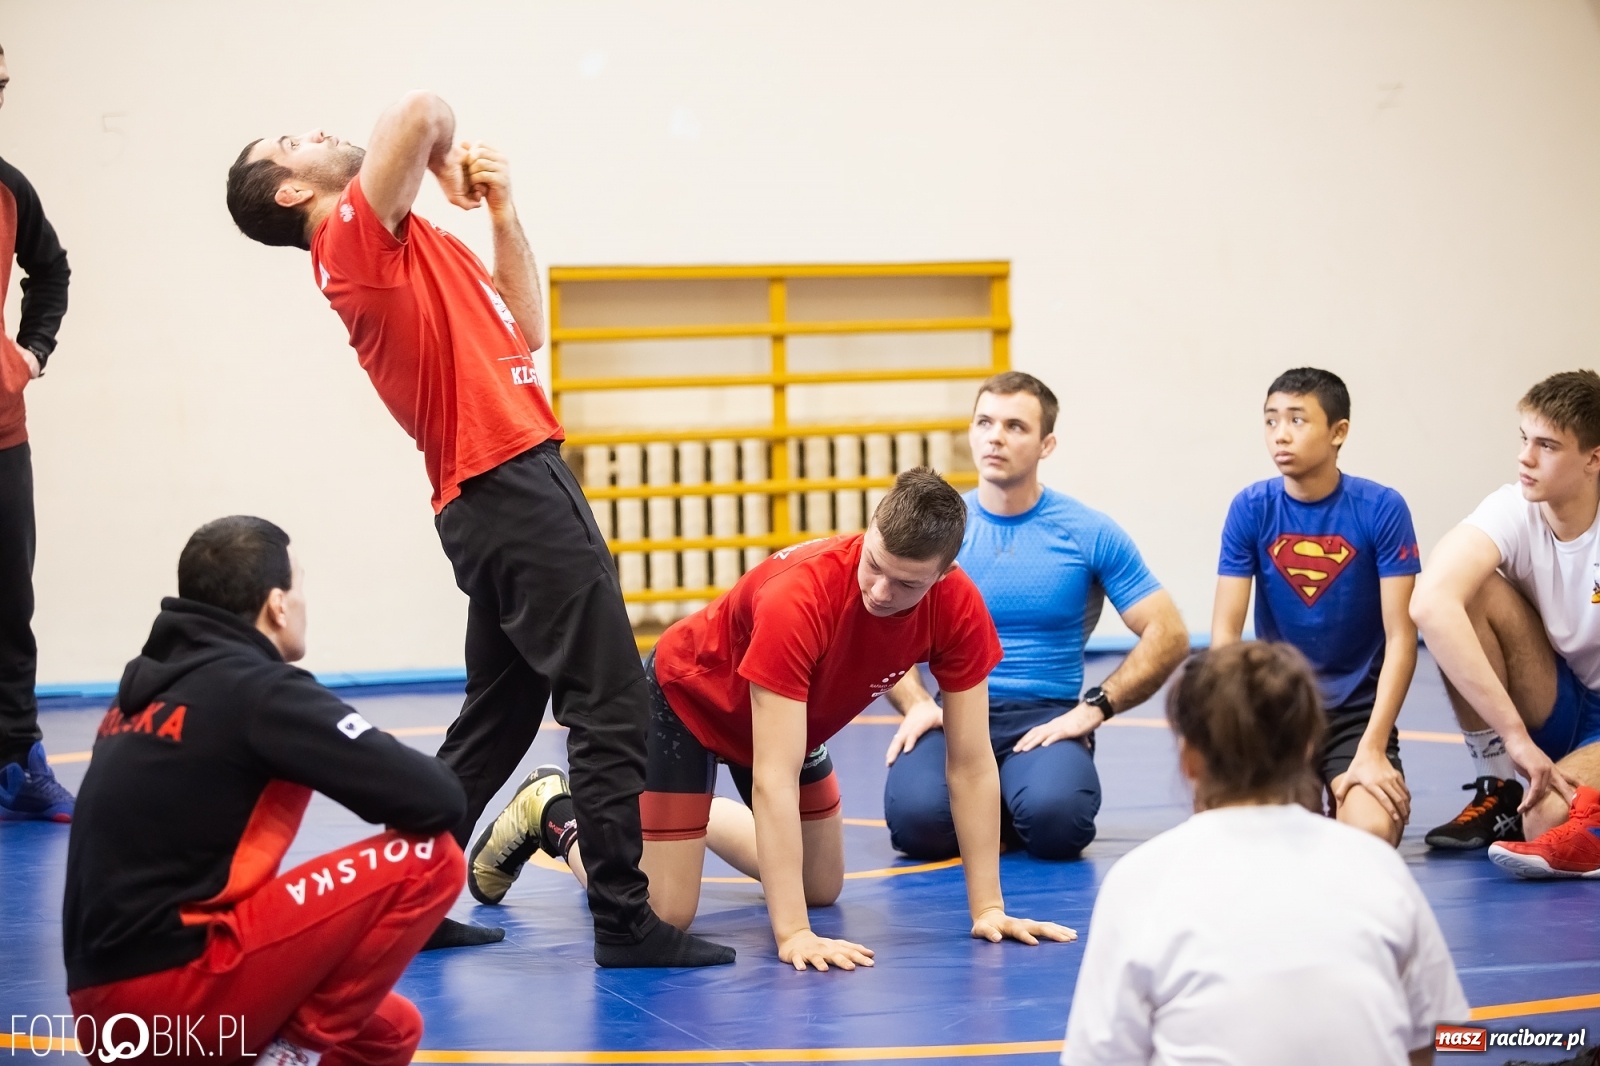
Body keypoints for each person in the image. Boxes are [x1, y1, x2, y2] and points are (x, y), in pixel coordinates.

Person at [225, 92, 731, 965]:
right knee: (609, 705)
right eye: (291, 140)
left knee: (499, 716)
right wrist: (444, 166)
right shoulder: (350, 240)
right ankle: (623, 919)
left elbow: (525, 332)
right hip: (512, 489)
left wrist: (502, 212)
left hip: (497, 494)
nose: (315, 130)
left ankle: (404, 904)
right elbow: (420, 111)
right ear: (288, 193)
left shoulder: (415, 249)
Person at [471, 469, 1076, 971]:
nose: (882, 591)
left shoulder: (958, 607)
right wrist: (793, 936)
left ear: (944, 576)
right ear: (867, 531)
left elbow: (970, 765)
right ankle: (556, 813)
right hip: (689, 701)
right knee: (662, 913)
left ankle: (685, 820)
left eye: (907, 583)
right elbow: (773, 780)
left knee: (820, 887)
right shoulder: (802, 596)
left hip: (787, 716)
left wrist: (989, 907)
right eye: (874, 565)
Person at [63, 517, 467, 1066]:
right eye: (299, 585)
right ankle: (287, 1056)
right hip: (177, 995)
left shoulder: (141, 696)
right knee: (431, 858)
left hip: (101, 1013)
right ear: (278, 604)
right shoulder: (257, 690)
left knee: (389, 1030)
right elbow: (437, 799)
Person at [1060, 642, 1470, 1066]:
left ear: (1189, 761)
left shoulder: (1139, 883)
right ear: (1309, 749)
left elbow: (1100, 1057)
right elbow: (1437, 1037)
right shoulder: (1377, 865)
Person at [881, 372, 1188, 861]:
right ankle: (998, 796)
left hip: (1047, 716)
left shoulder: (1087, 530)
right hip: (955, 711)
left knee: (1057, 824)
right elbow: (875, 621)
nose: (995, 436)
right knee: (920, 827)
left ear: (1047, 444)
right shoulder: (937, 532)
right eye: (984, 422)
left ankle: (1015, 793)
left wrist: (1094, 709)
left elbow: (1168, 632)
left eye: (1015, 426)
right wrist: (916, 701)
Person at [1211, 368, 1419, 846]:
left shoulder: (1382, 508)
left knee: (1368, 835)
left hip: (1357, 714)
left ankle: (1355, 774)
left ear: (1338, 432)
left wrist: (1372, 748)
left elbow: (1402, 637)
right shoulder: (1251, 507)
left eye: (1298, 420)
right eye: (1270, 421)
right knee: (1272, 840)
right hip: (1281, 706)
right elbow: (1224, 634)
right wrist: (1241, 726)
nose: (1280, 434)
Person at [1412, 369, 1600, 877]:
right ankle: (1499, 788)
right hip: (1560, 691)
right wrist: (1514, 738)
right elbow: (1430, 603)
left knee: (1544, 823)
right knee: (1467, 593)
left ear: (1593, 458)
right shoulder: (1515, 505)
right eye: (1524, 439)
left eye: (1547, 445)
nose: (1525, 457)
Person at [0, 42, 75, 822]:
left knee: (7, 607)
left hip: (1, 435)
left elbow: (50, 271)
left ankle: (18, 762)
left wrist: (32, 352)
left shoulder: (8, 187)